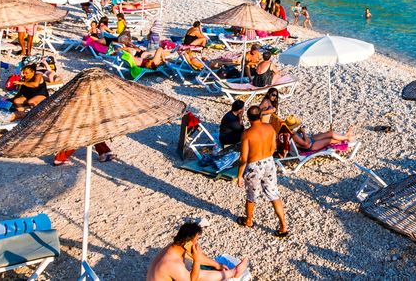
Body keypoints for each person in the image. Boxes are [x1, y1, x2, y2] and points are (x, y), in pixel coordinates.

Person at [236, 106, 289, 236]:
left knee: (251, 195)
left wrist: (239, 175)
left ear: (248, 118)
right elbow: (273, 148)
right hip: (269, 162)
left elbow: (243, 158)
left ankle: (249, 221)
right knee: (273, 194)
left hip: (254, 165)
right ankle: (283, 227)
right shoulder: (270, 128)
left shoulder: (247, 134)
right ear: (260, 116)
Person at [146, 221, 248, 281]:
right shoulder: (173, 264)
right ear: (189, 241)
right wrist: (197, 261)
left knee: (194, 269)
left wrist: (217, 265)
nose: (197, 243)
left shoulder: (174, 247)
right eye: (196, 240)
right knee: (198, 275)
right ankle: (234, 273)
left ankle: (232, 272)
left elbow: (196, 255)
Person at [281, 116, 352, 155]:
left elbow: (298, 140)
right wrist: (303, 133)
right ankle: (347, 138)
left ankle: (346, 136)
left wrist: (299, 131)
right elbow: (306, 144)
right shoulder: (293, 135)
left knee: (330, 133)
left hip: (309, 140)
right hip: (310, 146)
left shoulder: (289, 132)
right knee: (331, 140)